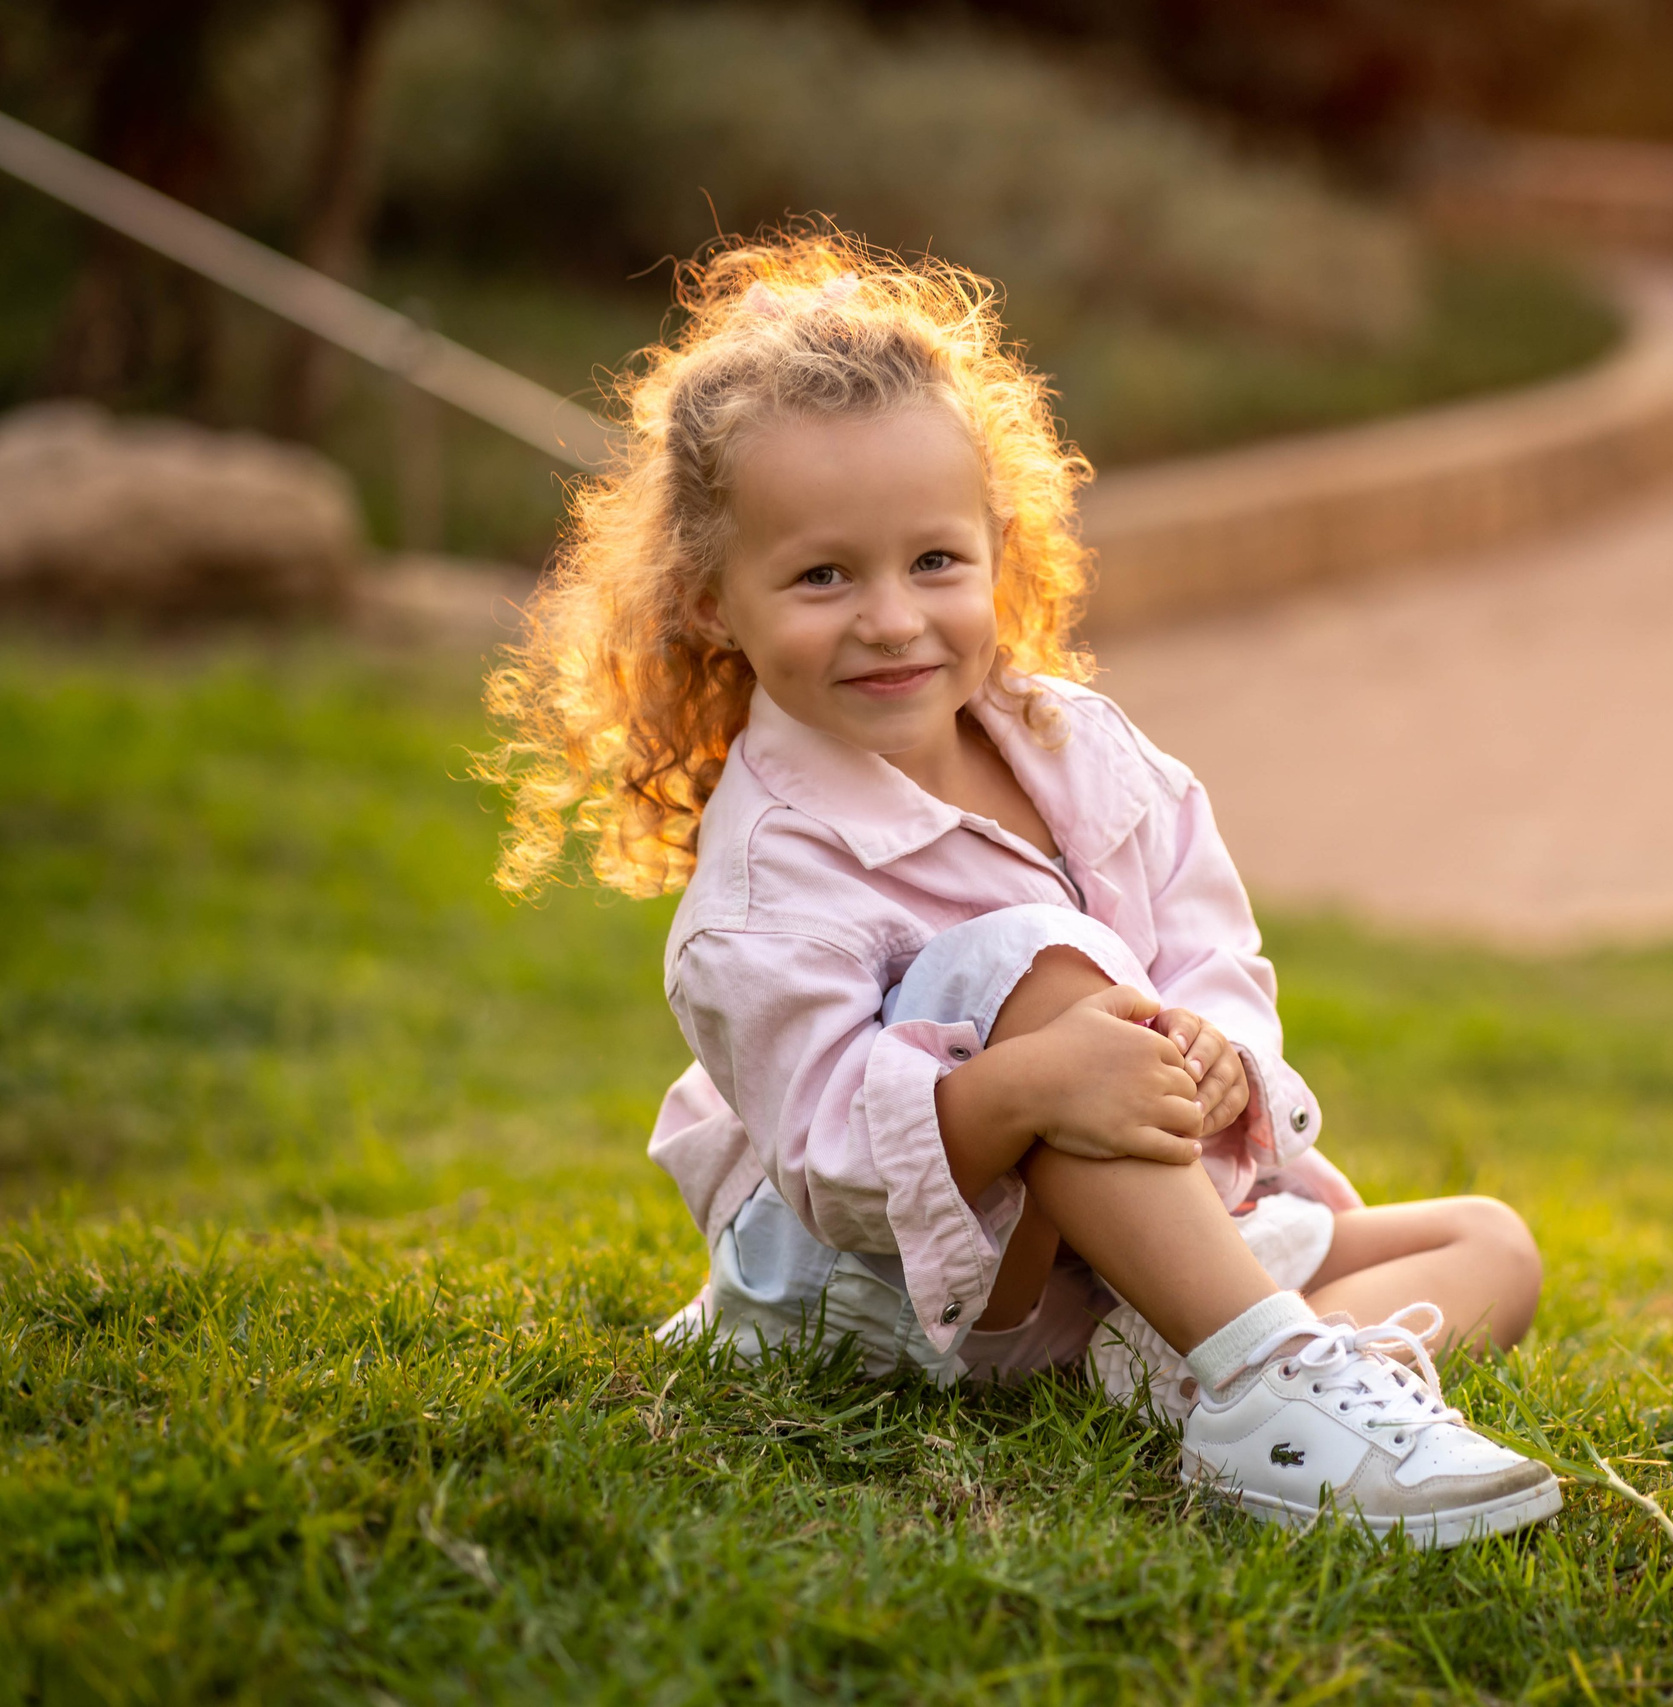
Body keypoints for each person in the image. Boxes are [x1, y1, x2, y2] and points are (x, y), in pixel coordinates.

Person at [478, 234, 1559, 1546]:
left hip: (1097, 1267)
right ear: (712, 602)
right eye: (824, 575)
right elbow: (830, 1162)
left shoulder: (1075, 749)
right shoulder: (766, 879)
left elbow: (1213, 948)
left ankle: (1222, 1363)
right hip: (891, 1286)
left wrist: (1222, 1052)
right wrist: (1032, 1085)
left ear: (999, 551)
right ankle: (1270, 1393)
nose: (890, 619)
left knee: (1492, 1242)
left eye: (934, 562)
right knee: (1040, 966)